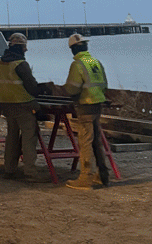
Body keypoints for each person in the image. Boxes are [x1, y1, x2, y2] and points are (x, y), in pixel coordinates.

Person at [0, 33, 48, 182]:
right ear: (22, 48)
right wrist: (42, 90)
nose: (26, 51)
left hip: (6, 105)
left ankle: (9, 170)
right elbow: (32, 88)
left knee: (12, 137)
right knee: (28, 138)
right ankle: (30, 172)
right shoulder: (20, 64)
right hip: (23, 105)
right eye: (25, 48)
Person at [61, 34, 110, 190]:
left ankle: (86, 178)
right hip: (97, 105)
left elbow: (72, 88)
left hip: (85, 106)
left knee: (85, 142)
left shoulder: (78, 64)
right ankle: (102, 175)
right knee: (96, 140)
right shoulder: (94, 62)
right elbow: (104, 85)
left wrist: (66, 92)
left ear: (73, 49)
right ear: (86, 47)